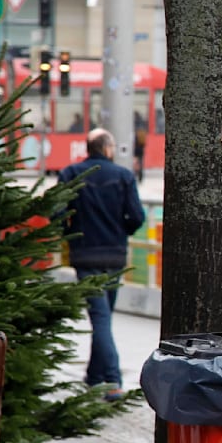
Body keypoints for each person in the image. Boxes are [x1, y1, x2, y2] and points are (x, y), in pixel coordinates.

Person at [56, 128, 146, 401]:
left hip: (85, 257)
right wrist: (122, 232)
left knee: (100, 318)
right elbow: (137, 216)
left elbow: (57, 212)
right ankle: (112, 379)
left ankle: (98, 377)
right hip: (115, 256)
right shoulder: (124, 176)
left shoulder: (71, 174)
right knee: (104, 318)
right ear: (107, 148)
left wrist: (69, 236)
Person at [132, 111, 147, 183]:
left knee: (135, 161)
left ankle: (135, 174)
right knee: (140, 162)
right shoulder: (142, 125)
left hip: (135, 148)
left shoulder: (134, 125)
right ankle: (140, 176)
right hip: (141, 148)